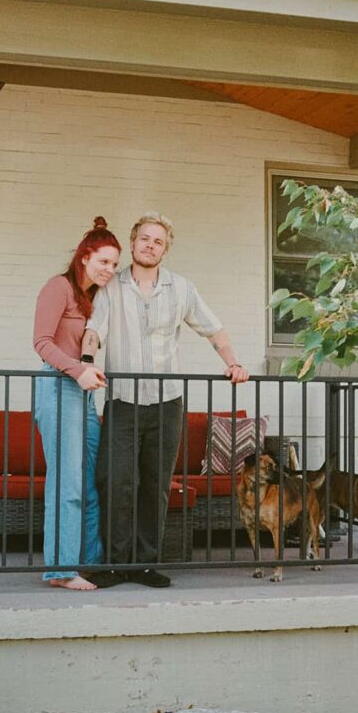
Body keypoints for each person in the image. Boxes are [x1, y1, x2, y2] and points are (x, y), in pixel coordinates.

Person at [81, 212, 249, 588]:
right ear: (133, 242)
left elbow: (214, 329)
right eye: (144, 238)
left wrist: (233, 362)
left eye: (158, 241)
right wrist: (87, 361)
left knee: (155, 485)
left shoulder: (182, 288)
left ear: (165, 250)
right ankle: (115, 565)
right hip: (122, 401)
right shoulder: (111, 286)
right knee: (116, 482)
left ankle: (144, 564)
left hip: (167, 403)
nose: (150, 245)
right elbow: (94, 330)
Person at [33, 217, 121, 590]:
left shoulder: (94, 298)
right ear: (85, 257)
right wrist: (77, 370)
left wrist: (87, 373)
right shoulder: (59, 287)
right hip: (58, 387)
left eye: (114, 264)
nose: (109, 270)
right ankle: (61, 570)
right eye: (103, 261)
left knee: (89, 481)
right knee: (66, 482)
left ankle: (90, 562)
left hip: (84, 393)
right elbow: (41, 342)